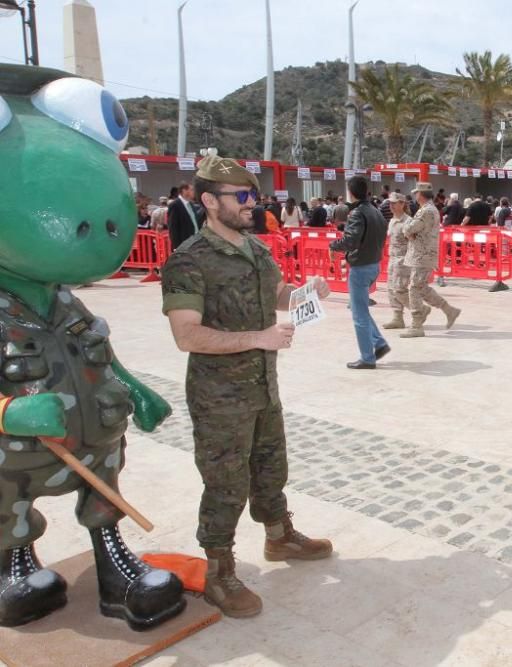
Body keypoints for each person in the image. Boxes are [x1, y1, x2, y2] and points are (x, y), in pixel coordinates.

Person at [161, 155, 333, 618]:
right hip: (220, 399)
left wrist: (307, 291)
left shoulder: (255, 249)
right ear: (209, 201)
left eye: (253, 196)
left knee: (271, 465)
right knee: (225, 484)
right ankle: (218, 571)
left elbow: (275, 295)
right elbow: (186, 335)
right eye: (242, 198)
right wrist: (257, 337)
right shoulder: (188, 261)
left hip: (263, 387)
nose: (252, 205)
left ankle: (279, 537)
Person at [329, 175, 390, 368]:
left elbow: (351, 241)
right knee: (360, 309)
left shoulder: (357, 213)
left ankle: (367, 357)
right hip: (373, 264)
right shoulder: (375, 210)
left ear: (351, 192)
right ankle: (378, 343)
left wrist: (333, 245)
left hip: (361, 267)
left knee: (359, 314)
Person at [401, 182, 461, 338]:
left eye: (416, 193)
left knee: (414, 288)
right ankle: (449, 310)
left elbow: (408, 229)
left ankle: (416, 325)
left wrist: (408, 230)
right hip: (422, 254)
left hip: (422, 254)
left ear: (420, 194)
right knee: (420, 287)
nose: (415, 196)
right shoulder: (428, 209)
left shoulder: (426, 211)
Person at [383, 192, 412, 331]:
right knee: (391, 289)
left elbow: (415, 244)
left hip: (403, 260)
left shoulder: (409, 222)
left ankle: (418, 310)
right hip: (393, 258)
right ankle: (397, 318)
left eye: (394, 203)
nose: (391, 206)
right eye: (390, 203)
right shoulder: (393, 220)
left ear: (402, 204)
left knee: (399, 289)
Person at [167, 181, 201, 250]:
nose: (194, 192)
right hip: (183, 244)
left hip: (195, 241)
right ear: (184, 191)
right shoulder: (175, 205)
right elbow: (173, 228)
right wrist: (176, 247)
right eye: (191, 190)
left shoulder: (191, 205)